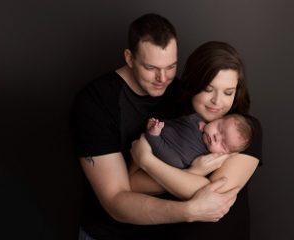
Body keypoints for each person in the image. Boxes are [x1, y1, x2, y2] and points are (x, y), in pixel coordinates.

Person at [71, 14, 245, 238]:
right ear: (129, 58)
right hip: (107, 234)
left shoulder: (185, 95)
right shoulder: (95, 102)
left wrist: (188, 172)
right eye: (151, 67)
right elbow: (116, 199)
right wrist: (189, 210)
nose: (162, 78)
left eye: (171, 67)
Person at [128, 42, 263, 239]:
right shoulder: (167, 123)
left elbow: (215, 196)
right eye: (208, 89)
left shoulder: (244, 133)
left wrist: (147, 161)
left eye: (228, 92)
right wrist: (193, 174)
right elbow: (133, 184)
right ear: (193, 84)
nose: (217, 101)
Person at [141, 111, 251, 169]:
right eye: (219, 128)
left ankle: (154, 136)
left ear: (224, 153)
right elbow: (179, 121)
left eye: (223, 144)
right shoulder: (198, 120)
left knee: (177, 163)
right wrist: (198, 121)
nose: (217, 137)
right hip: (166, 129)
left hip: (173, 156)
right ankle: (154, 128)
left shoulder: (208, 157)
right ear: (217, 119)